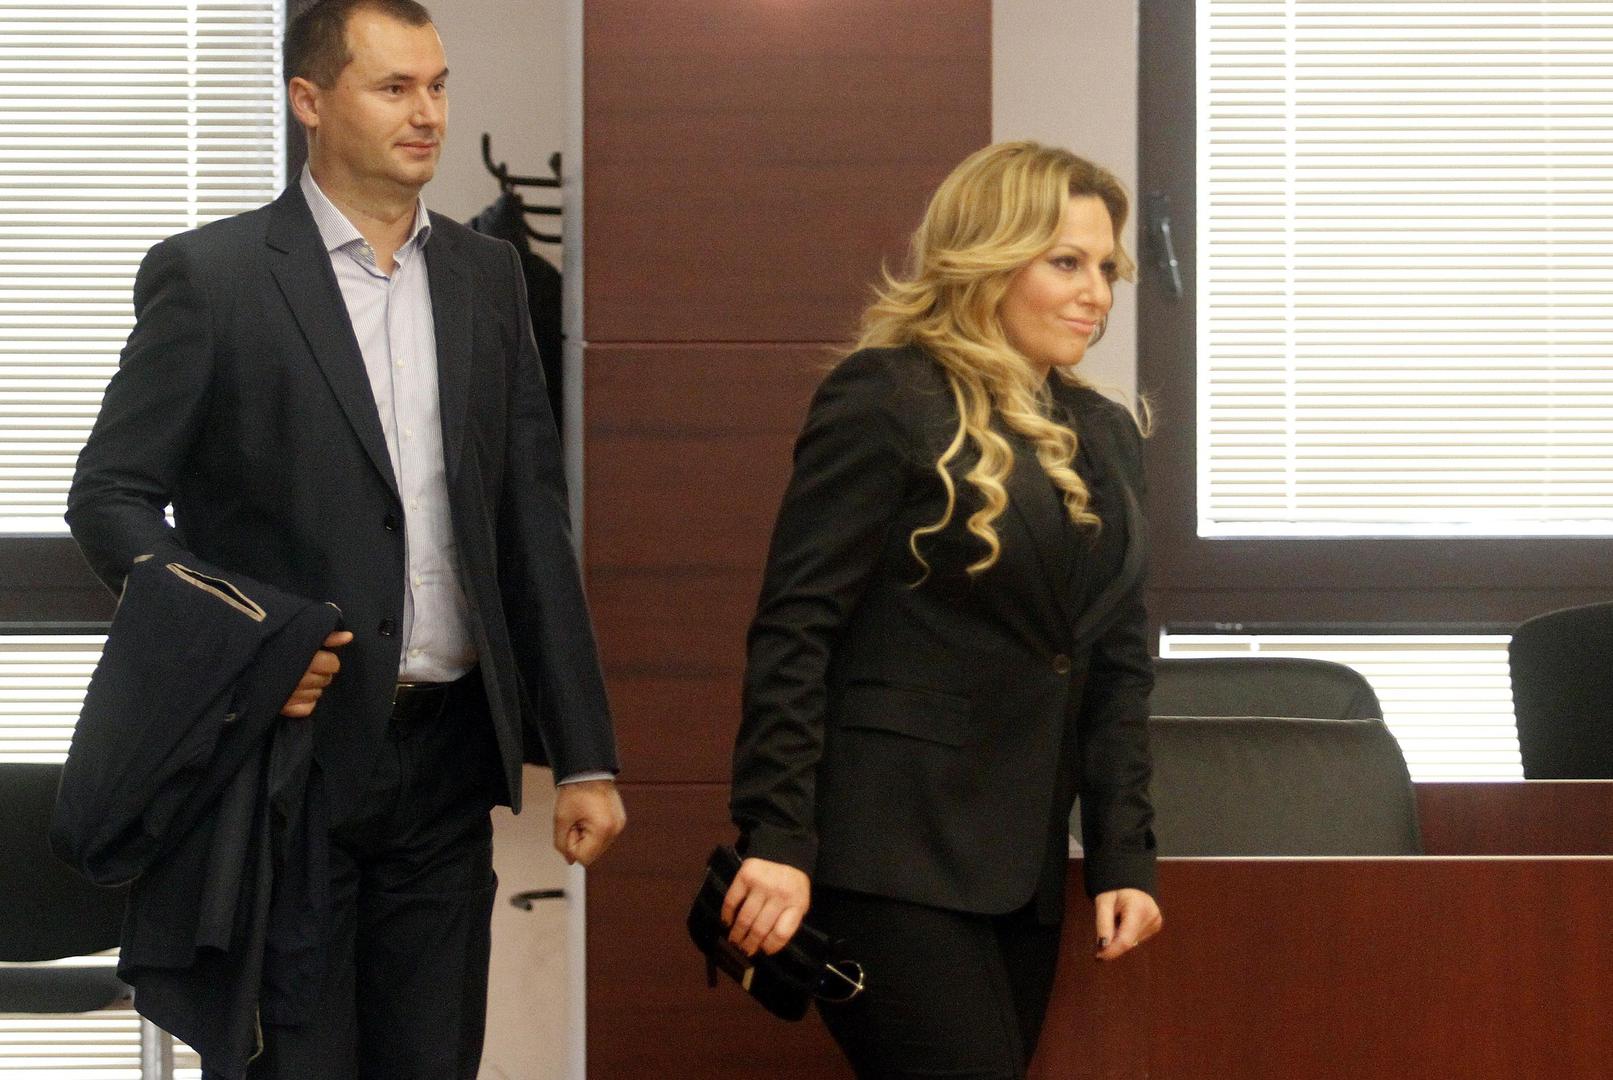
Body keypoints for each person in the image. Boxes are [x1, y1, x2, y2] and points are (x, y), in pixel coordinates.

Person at [65, 1, 625, 1075]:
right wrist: (249, 641)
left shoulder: (486, 278)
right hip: (288, 763)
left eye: (439, 86)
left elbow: (530, 527)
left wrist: (586, 755)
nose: (428, 114)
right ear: (309, 100)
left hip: (449, 759)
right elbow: (111, 498)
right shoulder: (214, 277)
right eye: (394, 87)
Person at [724, 141, 1163, 1079]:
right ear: (988, 258)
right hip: (887, 853)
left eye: (1106, 268)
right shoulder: (887, 396)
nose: (1095, 293)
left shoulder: (1107, 433)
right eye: (1066, 263)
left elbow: (1117, 666)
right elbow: (795, 630)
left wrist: (1123, 854)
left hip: (1022, 871)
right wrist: (777, 835)